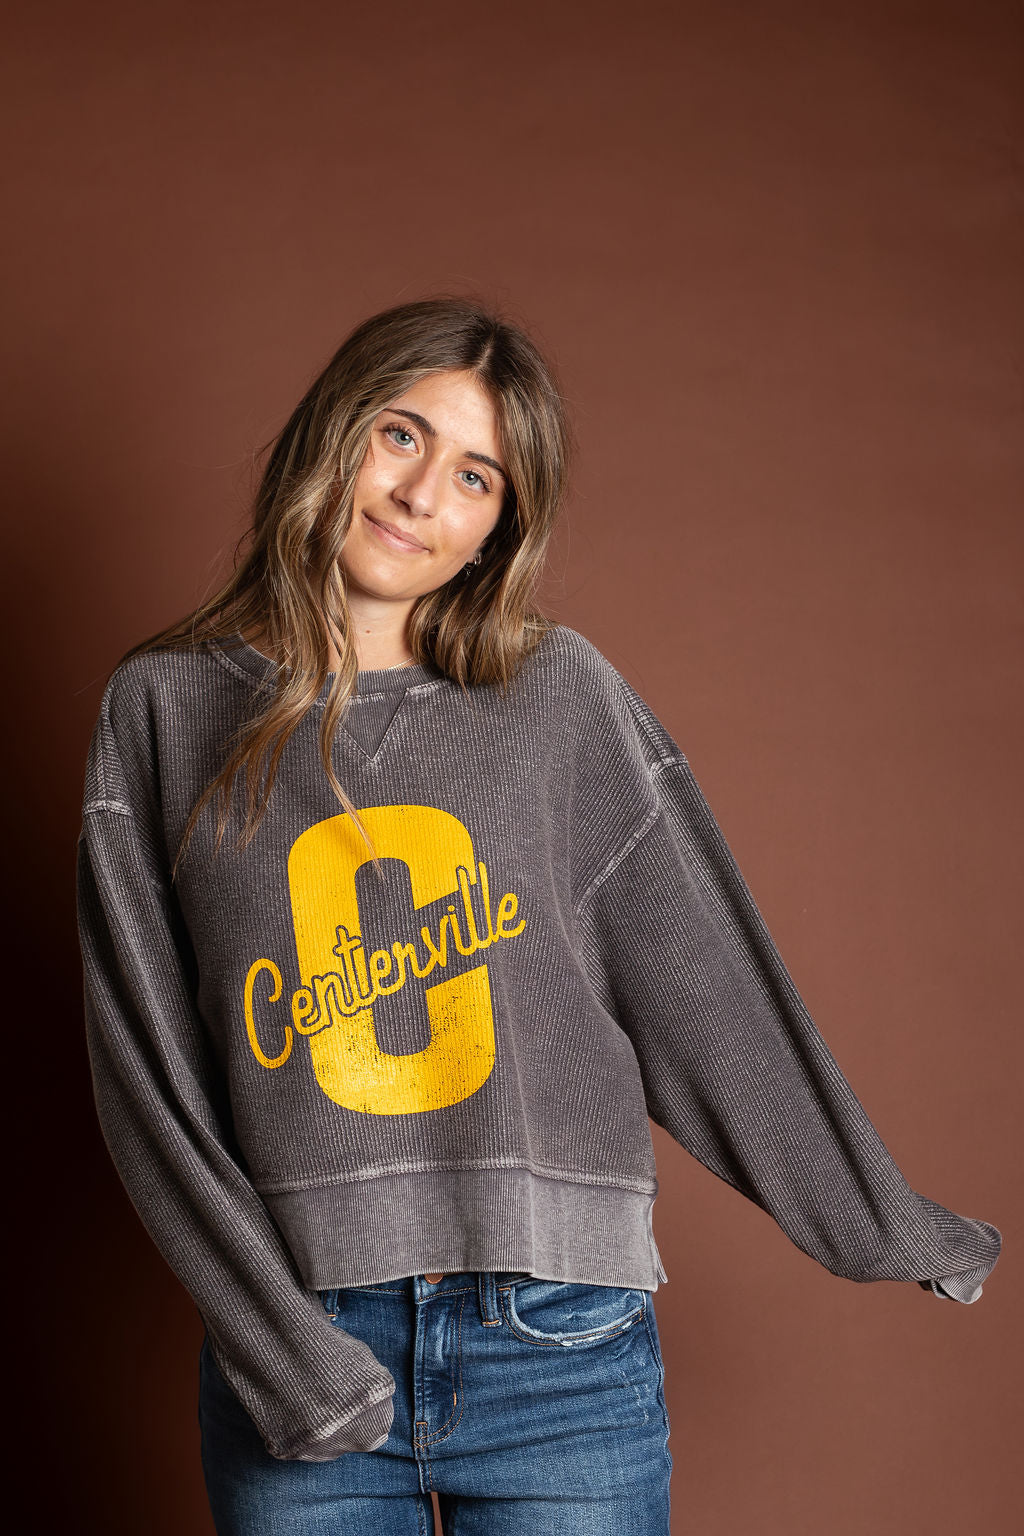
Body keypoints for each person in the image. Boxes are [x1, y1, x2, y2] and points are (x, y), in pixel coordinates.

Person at [76, 295, 1001, 1536]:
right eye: (401, 435)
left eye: (476, 477)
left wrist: (878, 1220)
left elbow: (705, 985)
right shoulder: (164, 710)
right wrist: (284, 1351)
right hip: (296, 1340)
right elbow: (148, 1079)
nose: (421, 495)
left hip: (559, 1344)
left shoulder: (557, 698)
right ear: (332, 432)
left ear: (496, 531)